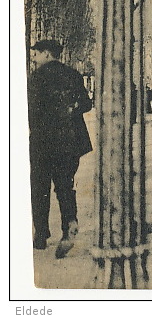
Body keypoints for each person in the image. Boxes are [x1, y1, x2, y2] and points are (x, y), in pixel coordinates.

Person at [28, 39, 93, 258]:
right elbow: (86, 104)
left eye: (36, 54)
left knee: (39, 188)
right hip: (69, 142)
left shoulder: (36, 78)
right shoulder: (73, 75)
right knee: (65, 186)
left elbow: (31, 112)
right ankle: (69, 224)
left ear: (47, 54)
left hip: (43, 142)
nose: (34, 58)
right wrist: (71, 109)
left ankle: (41, 235)